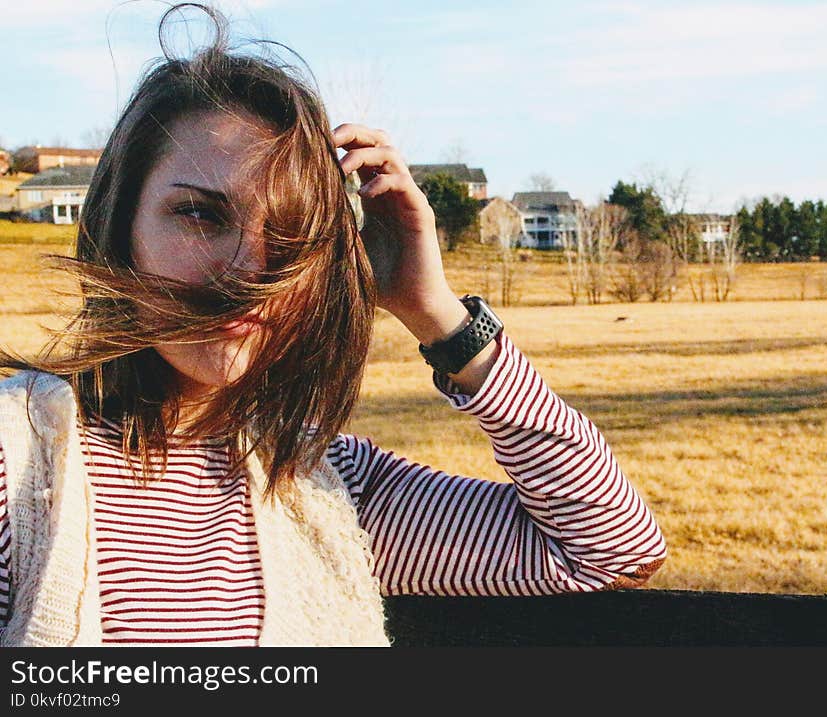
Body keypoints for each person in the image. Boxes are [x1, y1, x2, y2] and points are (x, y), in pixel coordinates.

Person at [0, 4, 666, 647]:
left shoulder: (330, 484)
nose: (251, 270)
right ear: (118, 227)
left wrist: (437, 313)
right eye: (202, 214)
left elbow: (610, 546)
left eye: (292, 234)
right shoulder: (20, 460)